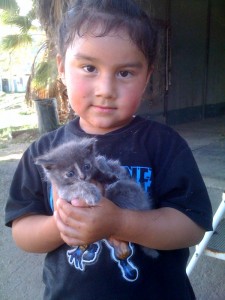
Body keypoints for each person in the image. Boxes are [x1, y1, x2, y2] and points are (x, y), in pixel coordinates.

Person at [5, 0, 212, 299]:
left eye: (125, 73)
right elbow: (23, 231)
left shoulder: (164, 143)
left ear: (147, 77)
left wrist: (119, 222)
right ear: (62, 67)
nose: (105, 88)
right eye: (89, 67)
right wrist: (63, 224)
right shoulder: (45, 153)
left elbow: (192, 226)